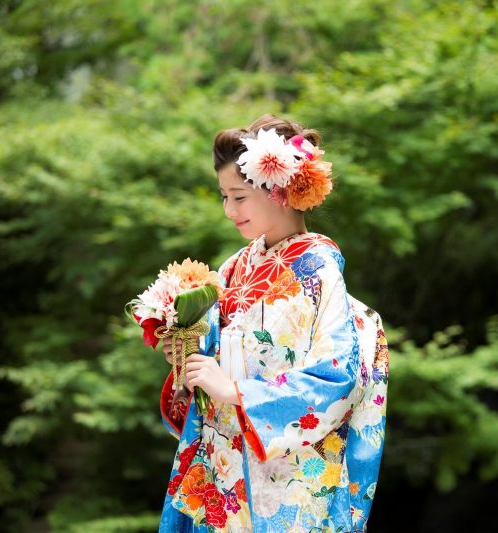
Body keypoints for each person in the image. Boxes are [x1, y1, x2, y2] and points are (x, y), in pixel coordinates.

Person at [156, 113, 389, 532]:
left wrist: (236, 391)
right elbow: (208, 362)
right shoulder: (231, 270)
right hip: (225, 469)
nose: (229, 210)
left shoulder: (318, 271)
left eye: (239, 196)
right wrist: (186, 356)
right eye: (223, 197)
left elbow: (337, 376)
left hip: (289, 479)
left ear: (278, 189)